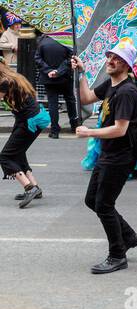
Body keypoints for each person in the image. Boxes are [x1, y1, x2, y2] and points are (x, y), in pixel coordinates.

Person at [72, 38, 137, 274]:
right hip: (107, 154)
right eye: (110, 56)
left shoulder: (126, 92)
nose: (111, 61)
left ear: (127, 64)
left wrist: (89, 132)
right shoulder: (110, 85)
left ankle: (117, 255)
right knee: (92, 200)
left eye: (118, 59)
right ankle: (129, 236)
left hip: (120, 157)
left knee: (103, 204)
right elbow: (86, 98)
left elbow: (120, 129)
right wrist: (81, 73)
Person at [0, 63, 48, 208]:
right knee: (18, 153)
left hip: (29, 120)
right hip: (34, 117)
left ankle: (29, 188)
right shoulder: (15, 77)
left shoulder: (4, 83)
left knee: (5, 156)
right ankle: (35, 187)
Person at [35, 31, 79, 138]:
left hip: (49, 77)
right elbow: (70, 58)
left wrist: (49, 71)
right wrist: (58, 71)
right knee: (70, 100)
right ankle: (74, 126)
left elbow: (37, 59)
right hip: (65, 77)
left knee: (52, 103)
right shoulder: (66, 40)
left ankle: (54, 131)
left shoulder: (42, 41)